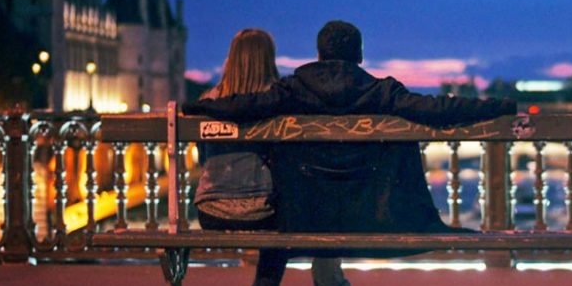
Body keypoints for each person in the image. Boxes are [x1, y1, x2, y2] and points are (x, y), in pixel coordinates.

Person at [185, 20, 517, 240]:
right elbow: (437, 110)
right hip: (370, 212)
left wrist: (197, 107)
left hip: (309, 210)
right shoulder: (378, 90)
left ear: (319, 54)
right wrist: (497, 106)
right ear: (358, 54)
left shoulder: (294, 89)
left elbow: (245, 107)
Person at [193, 28, 358, 286]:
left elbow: (204, 158)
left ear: (232, 59)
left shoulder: (207, 102)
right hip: (264, 209)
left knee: (281, 216)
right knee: (297, 213)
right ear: (269, 59)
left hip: (211, 209)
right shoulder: (280, 102)